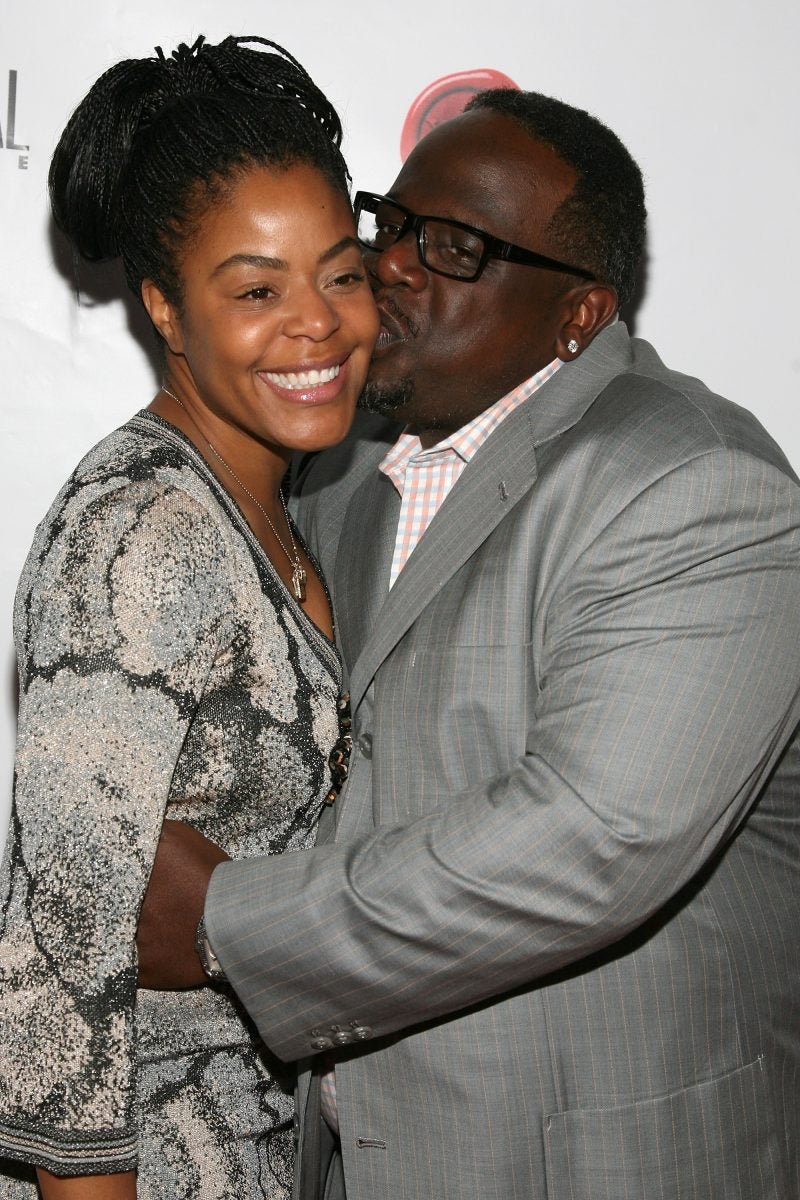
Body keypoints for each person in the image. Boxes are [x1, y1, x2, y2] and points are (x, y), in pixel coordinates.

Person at [136, 89, 800, 1199]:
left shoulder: (693, 481)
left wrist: (225, 925)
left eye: (455, 248)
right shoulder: (338, 474)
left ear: (578, 316)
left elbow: (592, 839)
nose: (390, 265)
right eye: (391, 224)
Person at [0, 34, 378, 1200]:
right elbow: (60, 959)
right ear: (166, 309)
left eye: (342, 275)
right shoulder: (138, 534)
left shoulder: (279, 503)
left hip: (267, 1147)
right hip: (146, 1166)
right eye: (257, 290)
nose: (318, 325)